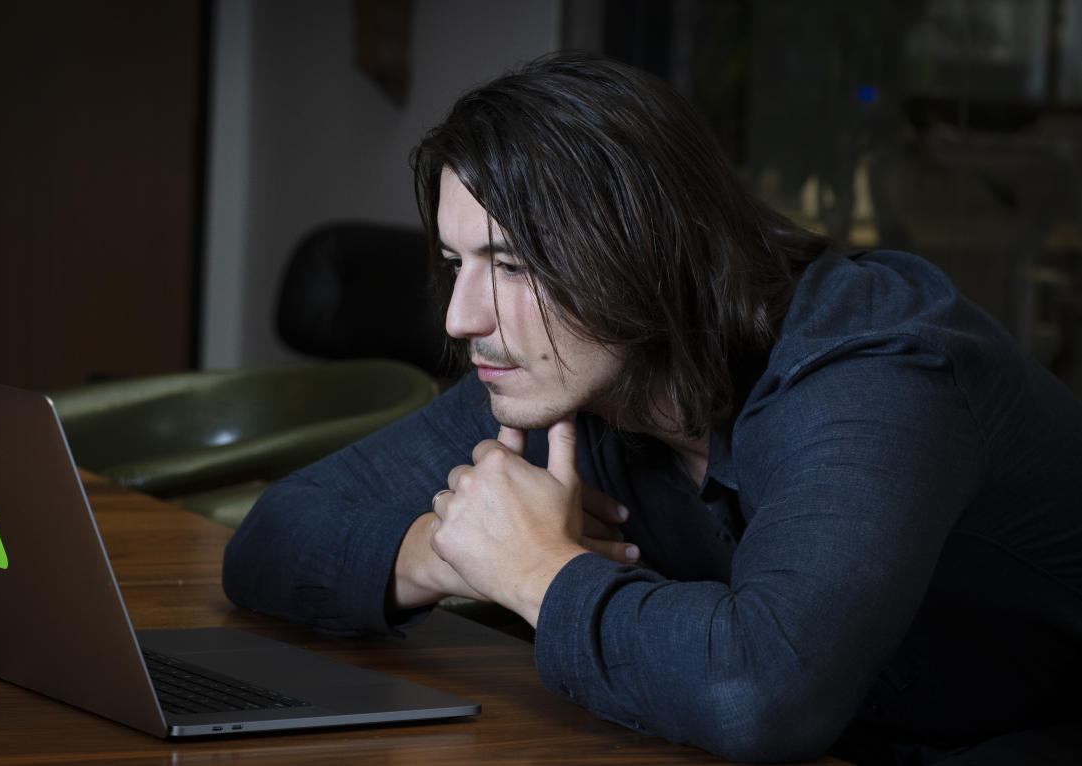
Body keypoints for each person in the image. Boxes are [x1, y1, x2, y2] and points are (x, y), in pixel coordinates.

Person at [223, 53, 1082, 764]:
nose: (461, 318)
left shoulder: (871, 369)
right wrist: (449, 556)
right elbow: (273, 536)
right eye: (456, 263)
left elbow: (758, 692)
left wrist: (533, 573)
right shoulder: (568, 383)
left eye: (514, 265)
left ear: (645, 253)